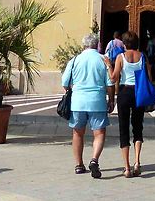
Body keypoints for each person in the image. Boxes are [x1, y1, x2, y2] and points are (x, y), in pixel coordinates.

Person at [61, 34, 114, 179]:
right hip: (97, 101)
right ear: (97, 45)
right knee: (99, 133)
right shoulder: (103, 60)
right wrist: (111, 100)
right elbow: (110, 83)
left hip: (78, 102)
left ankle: (79, 165)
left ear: (83, 45)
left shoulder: (75, 60)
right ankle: (94, 159)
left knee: (77, 133)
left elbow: (65, 82)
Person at [111, 30, 148, 178]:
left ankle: (126, 167)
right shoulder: (142, 57)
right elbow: (148, 76)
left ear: (125, 44)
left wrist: (109, 65)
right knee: (138, 127)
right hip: (138, 92)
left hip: (125, 92)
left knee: (123, 128)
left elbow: (114, 78)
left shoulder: (121, 57)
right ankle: (137, 162)